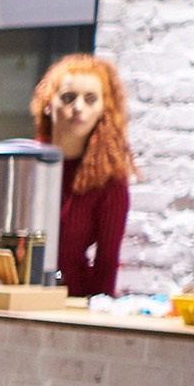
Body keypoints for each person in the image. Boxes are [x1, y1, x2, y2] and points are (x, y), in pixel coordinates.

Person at [35, 54, 136, 298]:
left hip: (73, 301)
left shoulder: (108, 182)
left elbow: (107, 262)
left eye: (90, 99)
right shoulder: (27, 164)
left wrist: (95, 321)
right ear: (49, 104)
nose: (78, 108)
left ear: (103, 110)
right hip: (13, 298)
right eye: (68, 97)